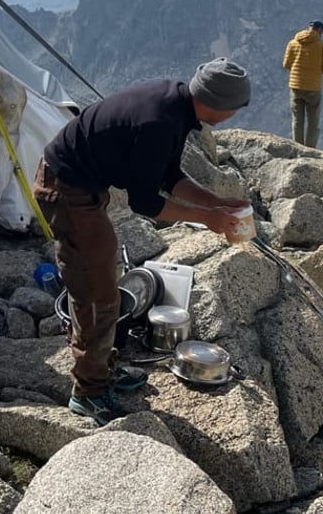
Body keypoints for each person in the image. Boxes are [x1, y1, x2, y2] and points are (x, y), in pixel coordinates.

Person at [32, 57, 253, 425]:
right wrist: (209, 220)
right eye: (234, 109)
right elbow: (146, 202)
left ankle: (100, 369)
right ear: (218, 104)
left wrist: (215, 202)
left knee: (101, 280)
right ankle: (89, 392)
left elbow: (167, 174)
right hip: (67, 189)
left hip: (80, 185)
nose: (234, 115)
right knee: (98, 292)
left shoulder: (177, 106)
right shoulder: (160, 122)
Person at [283, 20, 323, 147]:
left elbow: (286, 64)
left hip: (295, 86)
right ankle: (310, 150)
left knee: (297, 119)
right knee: (313, 121)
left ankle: (297, 147)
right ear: (319, 30)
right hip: (313, 88)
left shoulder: (292, 43)